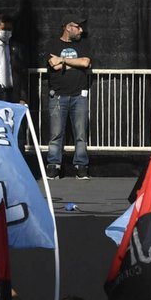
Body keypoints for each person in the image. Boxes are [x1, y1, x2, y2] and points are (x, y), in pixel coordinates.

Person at [45, 17, 92, 179]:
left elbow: (85, 62)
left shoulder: (83, 44)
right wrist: (73, 62)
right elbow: (54, 65)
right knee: (56, 134)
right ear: (68, 27)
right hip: (58, 95)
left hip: (79, 95)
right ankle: (53, 165)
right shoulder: (52, 44)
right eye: (78, 27)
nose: (81, 31)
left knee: (81, 133)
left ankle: (81, 166)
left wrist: (63, 59)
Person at [0, 14, 28, 103]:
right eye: (4, 29)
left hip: (12, 93)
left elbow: (21, 73)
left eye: (9, 29)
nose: (6, 32)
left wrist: (23, 97)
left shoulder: (16, 47)